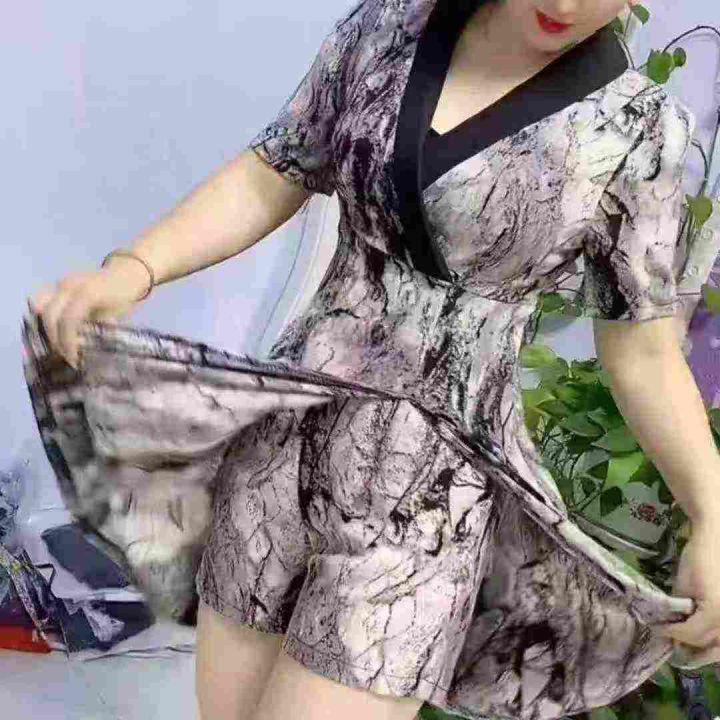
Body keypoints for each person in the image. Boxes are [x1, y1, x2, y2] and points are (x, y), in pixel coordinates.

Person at [25, 1, 720, 719]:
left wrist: (712, 513)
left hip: (431, 501)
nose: (566, 3)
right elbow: (275, 168)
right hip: (282, 454)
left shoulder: (641, 131)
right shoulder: (392, 23)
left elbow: (643, 352)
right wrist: (134, 269)